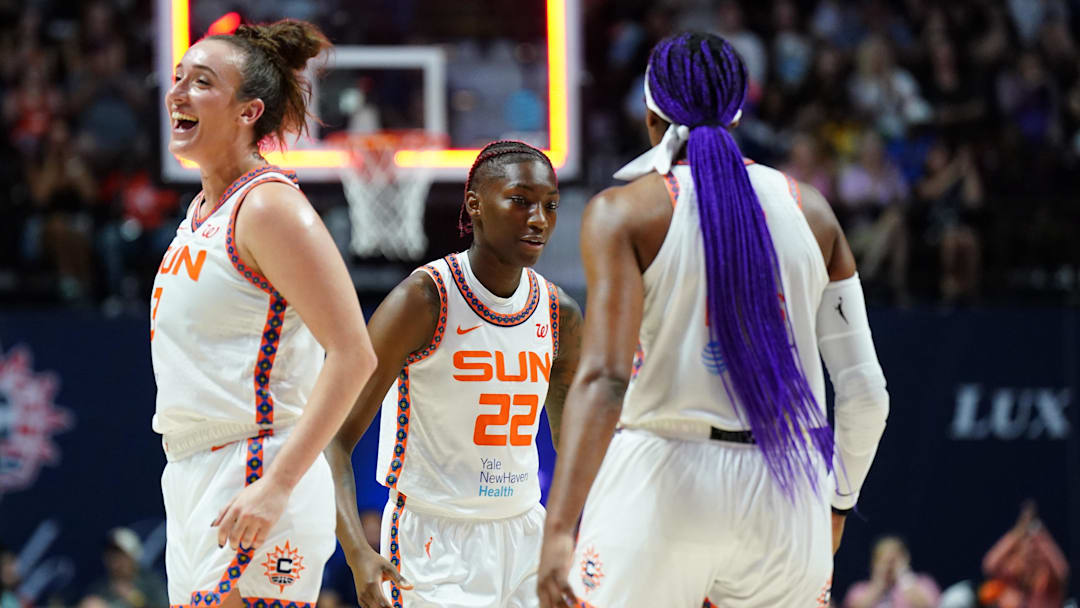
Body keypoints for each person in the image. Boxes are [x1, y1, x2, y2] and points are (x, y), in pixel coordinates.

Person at [537, 32, 890, 607]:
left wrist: (558, 531)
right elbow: (867, 395)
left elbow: (604, 380)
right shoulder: (814, 212)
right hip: (789, 486)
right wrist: (836, 504)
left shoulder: (625, 212)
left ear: (650, 115)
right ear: (739, 113)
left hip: (662, 477)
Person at [152, 20, 377, 608]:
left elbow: (354, 354)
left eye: (201, 83)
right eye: (178, 79)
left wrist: (278, 485)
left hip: (257, 464)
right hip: (193, 472)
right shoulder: (200, 212)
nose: (178, 92)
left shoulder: (270, 206)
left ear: (249, 111)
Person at [325, 140, 583, 608]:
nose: (539, 219)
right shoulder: (423, 300)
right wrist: (356, 551)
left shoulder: (559, 311)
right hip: (435, 538)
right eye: (520, 200)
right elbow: (333, 439)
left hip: (527, 531)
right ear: (475, 204)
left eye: (550, 205)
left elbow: (573, 443)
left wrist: (581, 526)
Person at [980, 501, 1069, 608]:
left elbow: (1062, 571)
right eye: (1025, 555)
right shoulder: (1010, 581)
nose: (1029, 558)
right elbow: (990, 564)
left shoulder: (1047, 582)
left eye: (1035, 554)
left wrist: (1039, 534)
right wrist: (1019, 531)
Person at [843, 536, 940, 608]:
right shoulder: (858, 590)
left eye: (894, 560)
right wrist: (878, 585)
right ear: (874, 563)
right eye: (884, 561)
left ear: (906, 559)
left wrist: (904, 578)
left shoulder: (924, 584)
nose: (890, 566)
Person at [86, 528, 169, 608]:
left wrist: (135, 599)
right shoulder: (100, 588)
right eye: (111, 555)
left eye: (120, 556)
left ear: (133, 557)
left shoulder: (151, 583)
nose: (115, 562)